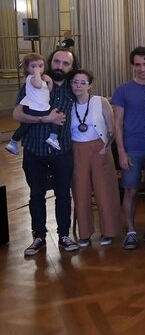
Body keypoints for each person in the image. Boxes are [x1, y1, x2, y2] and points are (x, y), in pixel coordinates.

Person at [17, 49, 78, 256]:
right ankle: (39, 237)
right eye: (57, 61)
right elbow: (17, 113)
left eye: (65, 64)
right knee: (36, 195)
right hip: (35, 149)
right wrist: (45, 119)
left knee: (63, 194)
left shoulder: (73, 88)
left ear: (71, 67)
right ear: (49, 62)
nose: (60, 66)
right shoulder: (34, 83)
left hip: (63, 150)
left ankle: (63, 235)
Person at [112, 47, 145, 250]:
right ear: (132, 66)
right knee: (131, 191)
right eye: (138, 64)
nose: (142, 68)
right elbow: (117, 124)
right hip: (132, 148)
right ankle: (131, 231)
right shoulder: (123, 89)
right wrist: (121, 152)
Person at [69, 69, 122, 248]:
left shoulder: (100, 102)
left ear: (90, 85)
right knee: (80, 191)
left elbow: (112, 126)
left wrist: (106, 147)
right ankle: (84, 233)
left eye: (83, 82)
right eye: (75, 82)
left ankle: (109, 231)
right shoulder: (68, 104)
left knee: (105, 191)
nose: (78, 86)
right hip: (77, 150)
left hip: (100, 148)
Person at [7, 54, 61, 154]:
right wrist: (36, 73)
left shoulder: (40, 79)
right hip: (36, 108)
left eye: (40, 66)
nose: (38, 69)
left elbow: (47, 91)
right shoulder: (32, 78)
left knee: (25, 126)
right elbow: (38, 85)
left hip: (38, 107)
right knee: (56, 116)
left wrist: (50, 82)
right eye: (33, 66)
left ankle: (13, 142)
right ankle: (53, 137)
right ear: (27, 68)